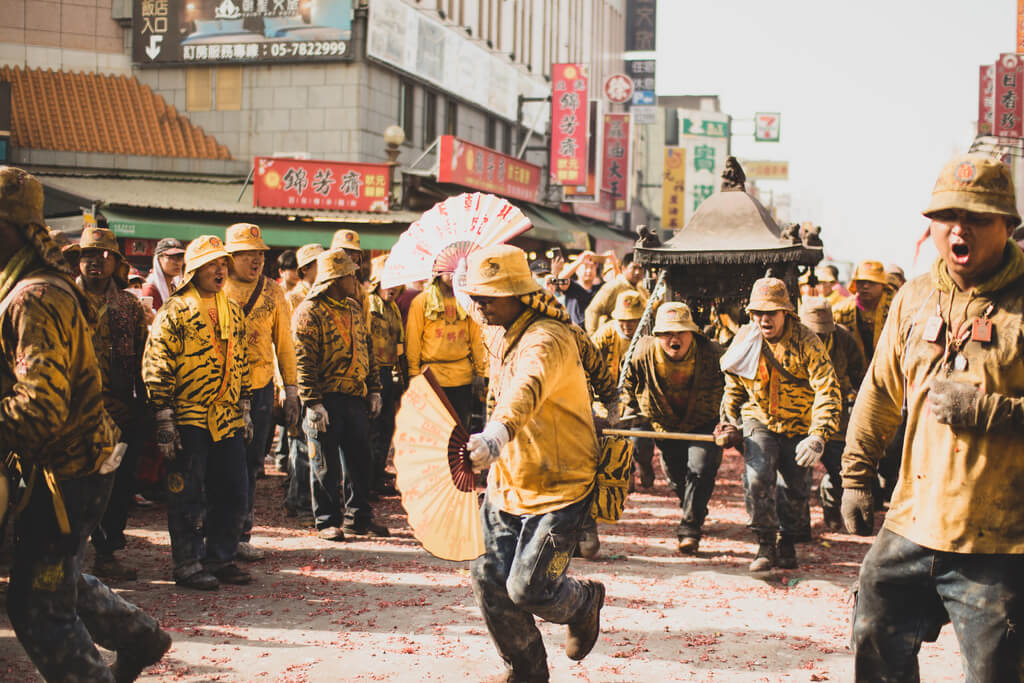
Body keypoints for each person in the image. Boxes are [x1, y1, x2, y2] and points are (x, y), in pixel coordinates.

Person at [842, 154, 1024, 681]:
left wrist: (991, 411)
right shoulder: (913, 298)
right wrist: (856, 475)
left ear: (1008, 225)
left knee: (995, 671)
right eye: (946, 216)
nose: (958, 229)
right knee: (874, 643)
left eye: (977, 217)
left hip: (999, 540)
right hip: (912, 522)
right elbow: (879, 391)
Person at [0, 167, 170, 681]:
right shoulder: (30, 288)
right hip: (76, 465)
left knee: (38, 605)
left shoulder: (33, 299)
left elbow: (42, 406)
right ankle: (142, 636)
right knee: (57, 577)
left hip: (66, 475)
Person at [460, 244, 605, 681]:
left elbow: (527, 388)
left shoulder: (548, 339)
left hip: (560, 485)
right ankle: (527, 671)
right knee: (488, 578)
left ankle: (583, 603)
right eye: (475, 295)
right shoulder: (498, 328)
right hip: (507, 479)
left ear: (518, 294)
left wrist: (497, 433)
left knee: (529, 588)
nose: (478, 304)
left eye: (487, 295)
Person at [142, 235, 254, 590]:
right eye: (211, 265)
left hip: (227, 418)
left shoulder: (232, 309)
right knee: (187, 492)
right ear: (194, 270)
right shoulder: (174, 311)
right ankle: (187, 562)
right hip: (188, 417)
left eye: (223, 264)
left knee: (233, 490)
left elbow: (242, 361)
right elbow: (157, 363)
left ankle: (220, 557)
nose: (220, 270)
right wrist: (163, 416)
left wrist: (246, 404)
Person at [719, 277, 841, 572]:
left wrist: (818, 435)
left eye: (771, 312)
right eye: (758, 313)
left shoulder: (807, 342)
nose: (764, 319)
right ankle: (765, 542)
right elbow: (734, 383)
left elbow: (827, 389)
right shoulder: (746, 339)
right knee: (757, 476)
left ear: (786, 312)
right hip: (759, 418)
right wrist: (728, 420)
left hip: (800, 423)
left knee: (795, 487)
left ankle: (787, 541)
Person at [292, 249, 389, 540]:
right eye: (350, 275)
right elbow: (303, 361)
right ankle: (326, 521)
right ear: (335, 279)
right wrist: (313, 402)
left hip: (355, 397)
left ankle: (358, 516)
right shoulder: (308, 312)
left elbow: (367, 350)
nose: (356, 280)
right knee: (324, 463)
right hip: (325, 399)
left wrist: (374, 390)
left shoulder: (354, 308)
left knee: (360, 460)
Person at [76, 227, 151, 581]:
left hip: (120, 409)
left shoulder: (128, 305)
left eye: (104, 255)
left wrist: (143, 406)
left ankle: (107, 554)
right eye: (88, 254)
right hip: (70, 412)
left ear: (115, 263)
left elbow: (142, 358)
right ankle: (65, 559)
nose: (96, 261)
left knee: (117, 485)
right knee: (70, 486)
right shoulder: (62, 299)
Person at [620, 303, 725, 555]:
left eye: (681, 332)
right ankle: (693, 506)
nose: (674, 338)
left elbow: (732, 390)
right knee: (678, 477)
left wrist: (727, 420)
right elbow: (627, 387)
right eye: (667, 333)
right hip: (664, 425)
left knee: (700, 470)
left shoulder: (713, 354)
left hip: (704, 422)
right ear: (657, 335)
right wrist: (626, 413)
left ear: (693, 333)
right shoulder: (641, 352)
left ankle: (690, 528)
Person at [223, 223, 299, 562]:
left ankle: (241, 533)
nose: (255, 261)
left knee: (253, 463)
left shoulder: (272, 292)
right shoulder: (216, 287)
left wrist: (292, 389)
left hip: (260, 387)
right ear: (230, 257)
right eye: (246, 254)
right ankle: (215, 533)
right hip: (221, 389)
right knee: (222, 463)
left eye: (259, 254)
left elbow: (284, 344)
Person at [798, 297, 865, 531]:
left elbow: (859, 373)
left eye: (823, 332)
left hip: (835, 416)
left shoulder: (844, 339)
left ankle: (830, 501)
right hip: (798, 414)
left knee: (841, 471)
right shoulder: (789, 339)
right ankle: (798, 524)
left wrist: (857, 398)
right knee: (797, 475)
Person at [405, 269, 487, 430]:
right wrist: (413, 374)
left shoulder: (466, 301)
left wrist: (480, 372)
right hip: (431, 376)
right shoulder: (422, 301)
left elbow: (477, 339)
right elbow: (413, 339)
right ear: (438, 272)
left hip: (462, 377)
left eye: (456, 270)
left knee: (460, 430)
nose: (452, 275)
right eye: (448, 270)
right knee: (433, 431)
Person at [592, 290, 657, 489]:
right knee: (614, 440)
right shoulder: (604, 334)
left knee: (642, 444)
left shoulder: (651, 336)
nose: (627, 325)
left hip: (639, 400)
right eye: (623, 320)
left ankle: (644, 464)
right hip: (608, 399)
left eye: (632, 320)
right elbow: (587, 362)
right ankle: (627, 473)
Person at [366, 257, 404, 496]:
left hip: (390, 370)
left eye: (395, 284)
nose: (391, 288)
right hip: (373, 371)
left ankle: (378, 471)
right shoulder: (368, 304)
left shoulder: (393, 308)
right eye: (387, 283)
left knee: (387, 425)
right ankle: (368, 478)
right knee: (373, 427)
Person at [832, 260, 893, 364]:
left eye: (872, 282)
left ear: (883, 285)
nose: (865, 286)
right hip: (854, 368)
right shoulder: (841, 311)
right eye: (861, 282)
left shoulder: (895, 308)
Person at [584, 252, 647, 335]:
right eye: (634, 268)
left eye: (640, 268)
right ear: (623, 269)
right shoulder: (613, 286)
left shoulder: (641, 289)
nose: (637, 272)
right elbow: (592, 310)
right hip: (613, 337)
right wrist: (592, 335)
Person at [141, 237, 185, 311]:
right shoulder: (150, 289)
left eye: (180, 257)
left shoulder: (175, 287)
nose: (177, 262)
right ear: (158, 259)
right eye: (171, 258)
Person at [286, 243, 325, 312]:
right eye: (320, 263)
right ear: (304, 269)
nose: (325, 267)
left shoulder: (325, 295)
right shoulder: (292, 299)